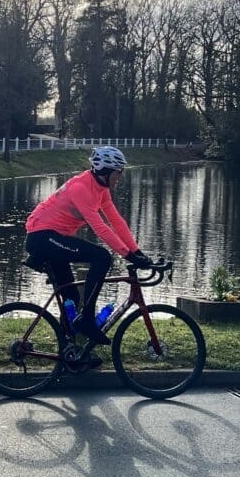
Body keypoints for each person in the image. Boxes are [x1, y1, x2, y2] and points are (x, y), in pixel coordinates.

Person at [24, 146, 153, 353]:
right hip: (43, 237)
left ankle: (71, 353)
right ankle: (87, 319)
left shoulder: (100, 190)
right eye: (118, 173)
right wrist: (127, 255)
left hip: (54, 238)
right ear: (107, 171)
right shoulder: (81, 188)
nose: (120, 177)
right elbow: (100, 228)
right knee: (101, 257)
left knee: (71, 298)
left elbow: (116, 221)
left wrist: (137, 252)